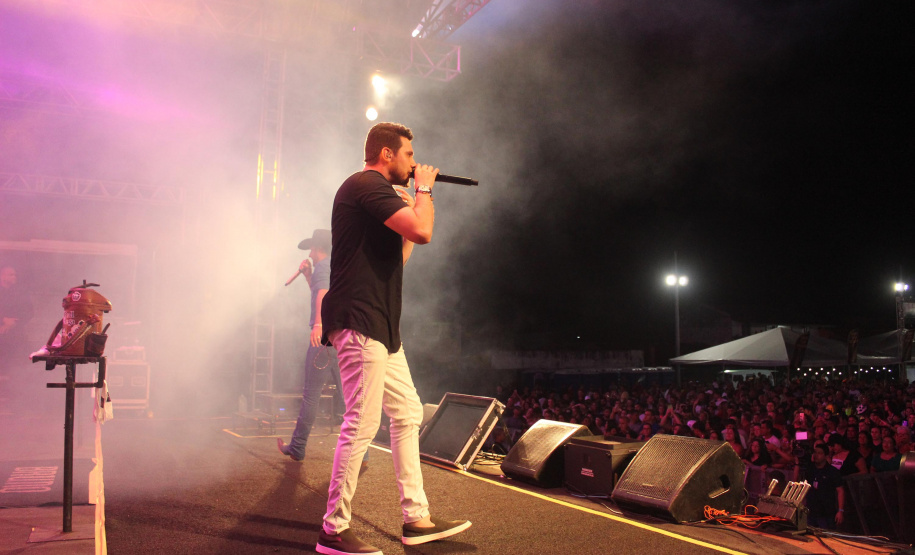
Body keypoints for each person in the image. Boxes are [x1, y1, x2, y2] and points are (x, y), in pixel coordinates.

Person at [315, 122, 470, 555]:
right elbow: (424, 231)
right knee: (362, 423)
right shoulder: (365, 184)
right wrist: (424, 191)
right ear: (387, 154)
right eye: (409, 155)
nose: (415, 163)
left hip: (381, 322)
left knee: (407, 413)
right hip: (360, 318)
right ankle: (332, 530)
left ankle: (416, 519)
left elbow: (403, 252)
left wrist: (412, 207)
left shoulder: (378, 195)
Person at [278, 230, 364, 466]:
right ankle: (362, 453)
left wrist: (318, 325)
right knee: (348, 398)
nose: (309, 254)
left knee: (311, 396)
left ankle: (297, 447)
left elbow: (323, 296)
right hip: (341, 339)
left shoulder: (324, 267)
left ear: (317, 248)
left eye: (311, 250)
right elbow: (321, 294)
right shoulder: (334, 267)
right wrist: (308, 276)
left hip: (324, 341)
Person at [0, 265, 33, 411]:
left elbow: (29, 312)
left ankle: (16, 404)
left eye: (15, 275)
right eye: (10, 274)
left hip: (14, 337)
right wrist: (3, 320)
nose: (14, 277)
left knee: (16, 368)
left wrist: (13, 323)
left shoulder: (20, 293)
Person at [805, 442, 846, 529]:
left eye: (819, 453)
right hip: (810, 511)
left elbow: (840, 491)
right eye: (815, 452)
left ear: (826, 456)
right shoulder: (810, 469)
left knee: (826, 534)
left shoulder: (832, 472)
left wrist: (840, 511)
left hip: (826, 512)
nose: (816, 455)